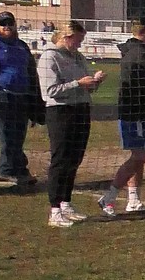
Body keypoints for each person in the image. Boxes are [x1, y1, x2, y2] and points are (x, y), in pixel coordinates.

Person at [36, 21, 105, 227]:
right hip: (61, 112)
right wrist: (78, 83)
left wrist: (94, 82)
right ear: (66, 37)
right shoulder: (49, 57)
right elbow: (49, 91)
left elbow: (86, 87)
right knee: (61, 159)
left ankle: (66, 202)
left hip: (81, 109)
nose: (80, 45)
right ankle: (54, 210)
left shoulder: (77, 57)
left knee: (75, 158)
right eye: (78, 40)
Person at [97, 16, 145, 215]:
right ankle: (109, 197)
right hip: (137, 114)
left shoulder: (137, 51)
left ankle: (133, 199)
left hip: (139, 113)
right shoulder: (137, 54)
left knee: (140, 157)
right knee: (138, 157)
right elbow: (141, 88)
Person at [0, 10, 42, 188]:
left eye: (9, 23)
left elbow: (30, 71)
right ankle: (6, 170)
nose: (7, 27)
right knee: (6, 133)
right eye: (3, 23)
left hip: (23, 95)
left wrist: (35, 94)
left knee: (19, 134)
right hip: (3, 95)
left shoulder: (21, 46)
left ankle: (19, 168)